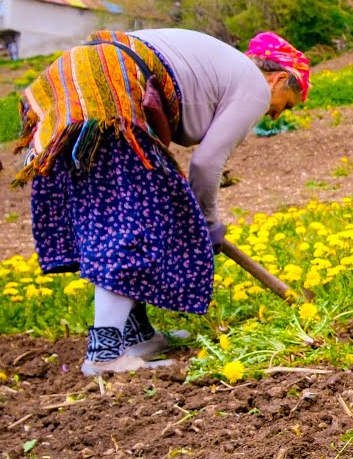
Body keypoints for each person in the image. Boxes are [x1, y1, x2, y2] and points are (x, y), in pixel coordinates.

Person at [8, 28, 310, 376]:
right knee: (133, 226)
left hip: (71, 82)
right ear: (279, 79)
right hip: (107, 92)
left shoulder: (221, 68)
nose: (275, 116)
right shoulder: (255, 87)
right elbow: (206, 163)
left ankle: (138, 336)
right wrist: (207, 225)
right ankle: (104, 353)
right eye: (285, 105)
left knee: (118, 220)